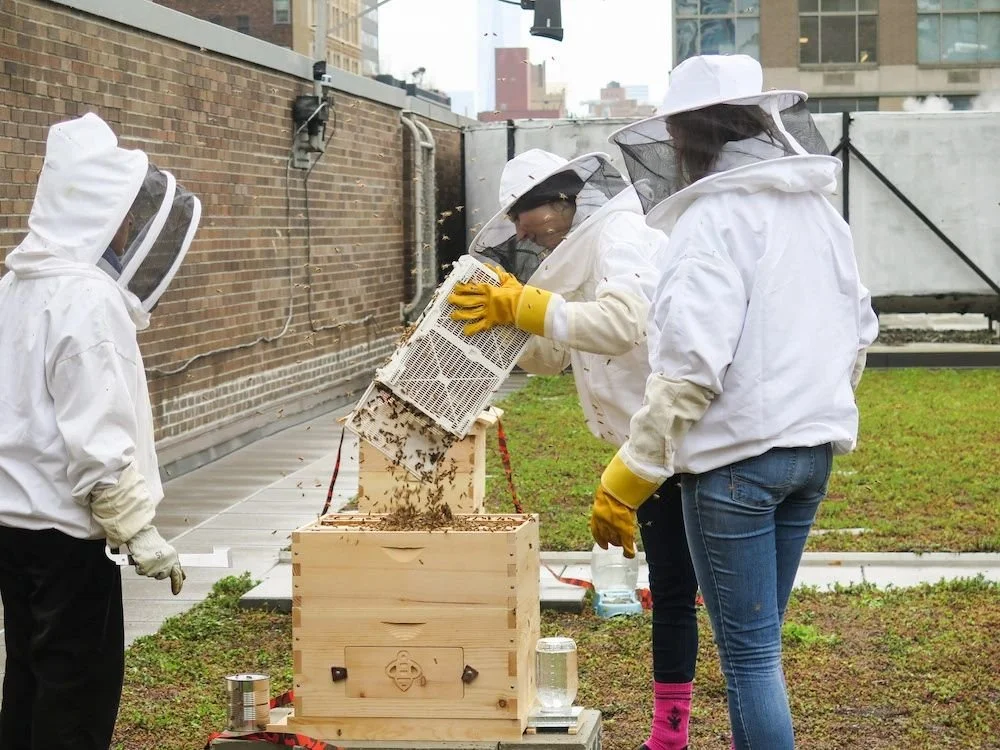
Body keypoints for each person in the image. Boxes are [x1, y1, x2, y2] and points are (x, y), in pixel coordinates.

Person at [590, 54, 879, 750]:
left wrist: (629, 474)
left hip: (738, 472)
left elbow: (690, 368)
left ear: (688, 138)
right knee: (763, 650)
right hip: (810, 458)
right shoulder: (818, 215)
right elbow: (860, 332)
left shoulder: (711, 221)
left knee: (750, 660)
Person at [448, 149, 701, 750]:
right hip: (650, 445)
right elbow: (558, 354)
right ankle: (671, 735)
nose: (519, 229)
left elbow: (621, 325)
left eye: (524, 214)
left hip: (686, 440)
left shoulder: (620, 236)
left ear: (561, 202)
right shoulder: (582, 258)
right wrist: (496, 331)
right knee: (670, 590)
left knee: (705, 596)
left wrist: (523, 306)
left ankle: (679, 732)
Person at [0, 112, 202, 750]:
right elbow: (97, 436)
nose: (130, 228)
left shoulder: (14, 288)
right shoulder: (87, 299)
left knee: (29, 678)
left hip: (13, 527)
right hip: (65, 534)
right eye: (123, 212)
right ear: (94, 210)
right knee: (76, 691)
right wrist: (137, 529)